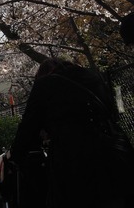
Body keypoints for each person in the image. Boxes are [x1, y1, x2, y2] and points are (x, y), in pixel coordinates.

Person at [9, 58, 134, 208]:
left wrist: (15, 155)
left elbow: (28, 128)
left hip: (74, 162)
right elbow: (113, 112)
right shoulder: (94, 77)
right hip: (116, 155)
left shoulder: (45, 85)